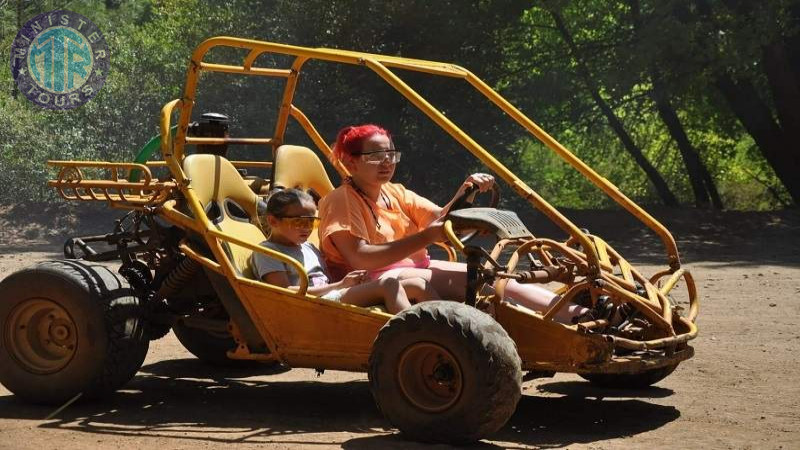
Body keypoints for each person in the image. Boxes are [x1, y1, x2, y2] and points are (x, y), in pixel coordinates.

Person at [318, 124, 591, 323]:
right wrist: (426, 237)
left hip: (413, 268)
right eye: (376, 156)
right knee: (481, 283)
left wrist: (466, 190)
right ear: (351, 163)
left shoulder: (396, 191)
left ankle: (584, 316)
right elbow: (360, 259)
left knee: (499, 279)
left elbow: (442, 220)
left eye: (391, 154)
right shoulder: (341, 200)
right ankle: (567, 326)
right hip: (368, 279)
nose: (387, 161)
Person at [251, 188, 436, 314]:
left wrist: (352, 282)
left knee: (418, 284)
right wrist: (340, 285)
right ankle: (415, 337)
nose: (306, 228)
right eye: (299, 221)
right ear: (273, 221)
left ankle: (450, 329)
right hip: (309, 306)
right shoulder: (267, 252)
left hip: (330, 296)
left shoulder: (308, 247)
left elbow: (326, 278)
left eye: (311, 222)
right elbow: (283, 292)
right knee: (389, 285)